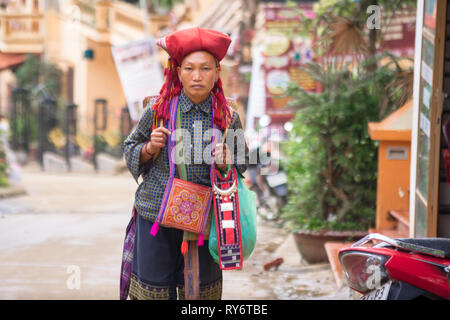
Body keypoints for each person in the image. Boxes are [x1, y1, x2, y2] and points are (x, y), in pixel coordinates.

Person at [121, 27, 249, 300]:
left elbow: (242, 164)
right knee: (154, 292)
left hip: (206, 219)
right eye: (189, 68)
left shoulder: (228, 117)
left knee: (200, 295)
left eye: (205, 68)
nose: (197, 76)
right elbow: (129, 147)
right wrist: (148, 148)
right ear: (178, 72)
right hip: (155, 214)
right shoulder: (158, 110)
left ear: (217, 73)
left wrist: (228, 164)